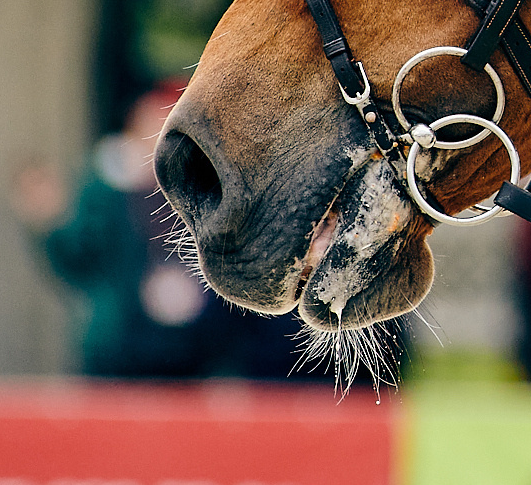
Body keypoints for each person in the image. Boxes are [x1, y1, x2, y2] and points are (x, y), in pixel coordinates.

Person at [16, 81, 314, 379]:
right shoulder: (103, 190)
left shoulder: (207, 188)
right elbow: (79, 261)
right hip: (121, 347)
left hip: (198, 350)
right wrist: (50, 225)